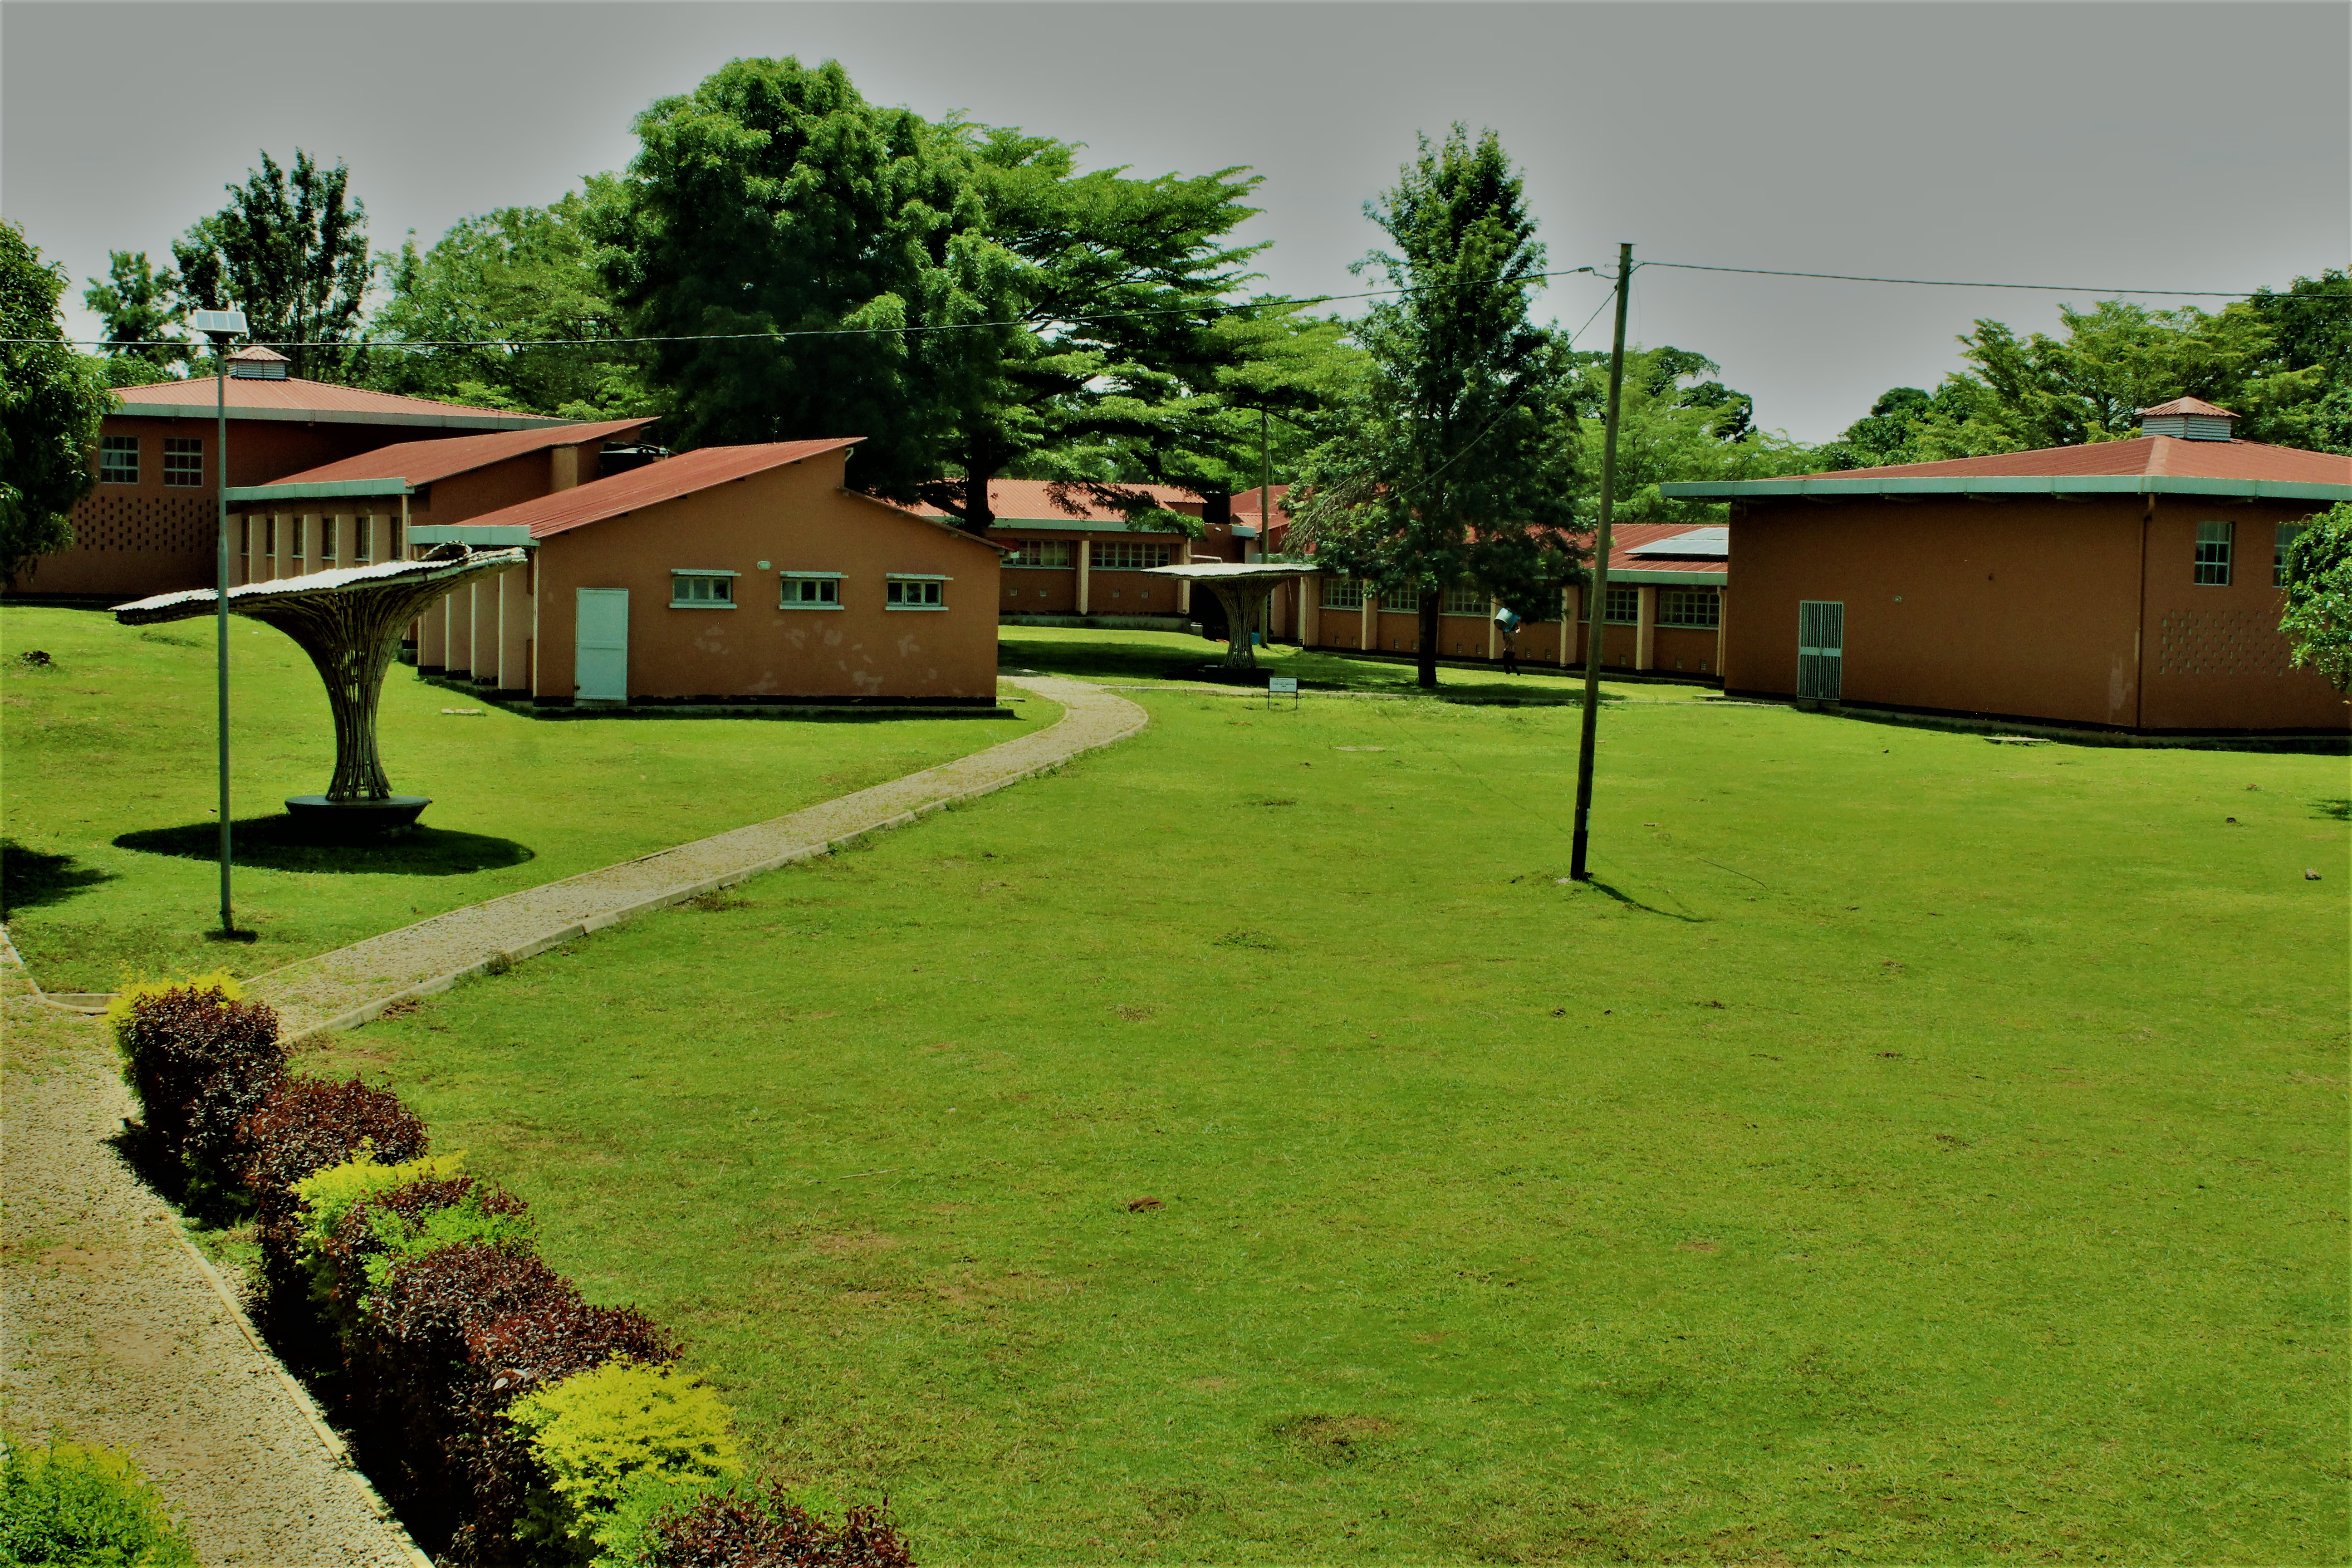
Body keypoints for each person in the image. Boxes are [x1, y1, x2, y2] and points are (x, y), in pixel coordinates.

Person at [1494, 606, 1522, 674]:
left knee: (1506, 663)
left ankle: (1509, 672)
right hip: (1512, 651)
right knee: (1512, 663)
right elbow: (1519, 630)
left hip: (1507, 650)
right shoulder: (1515, 634)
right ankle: (1517, 672)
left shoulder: (1508, 633)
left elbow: (1504, 631)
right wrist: (1516, 624)